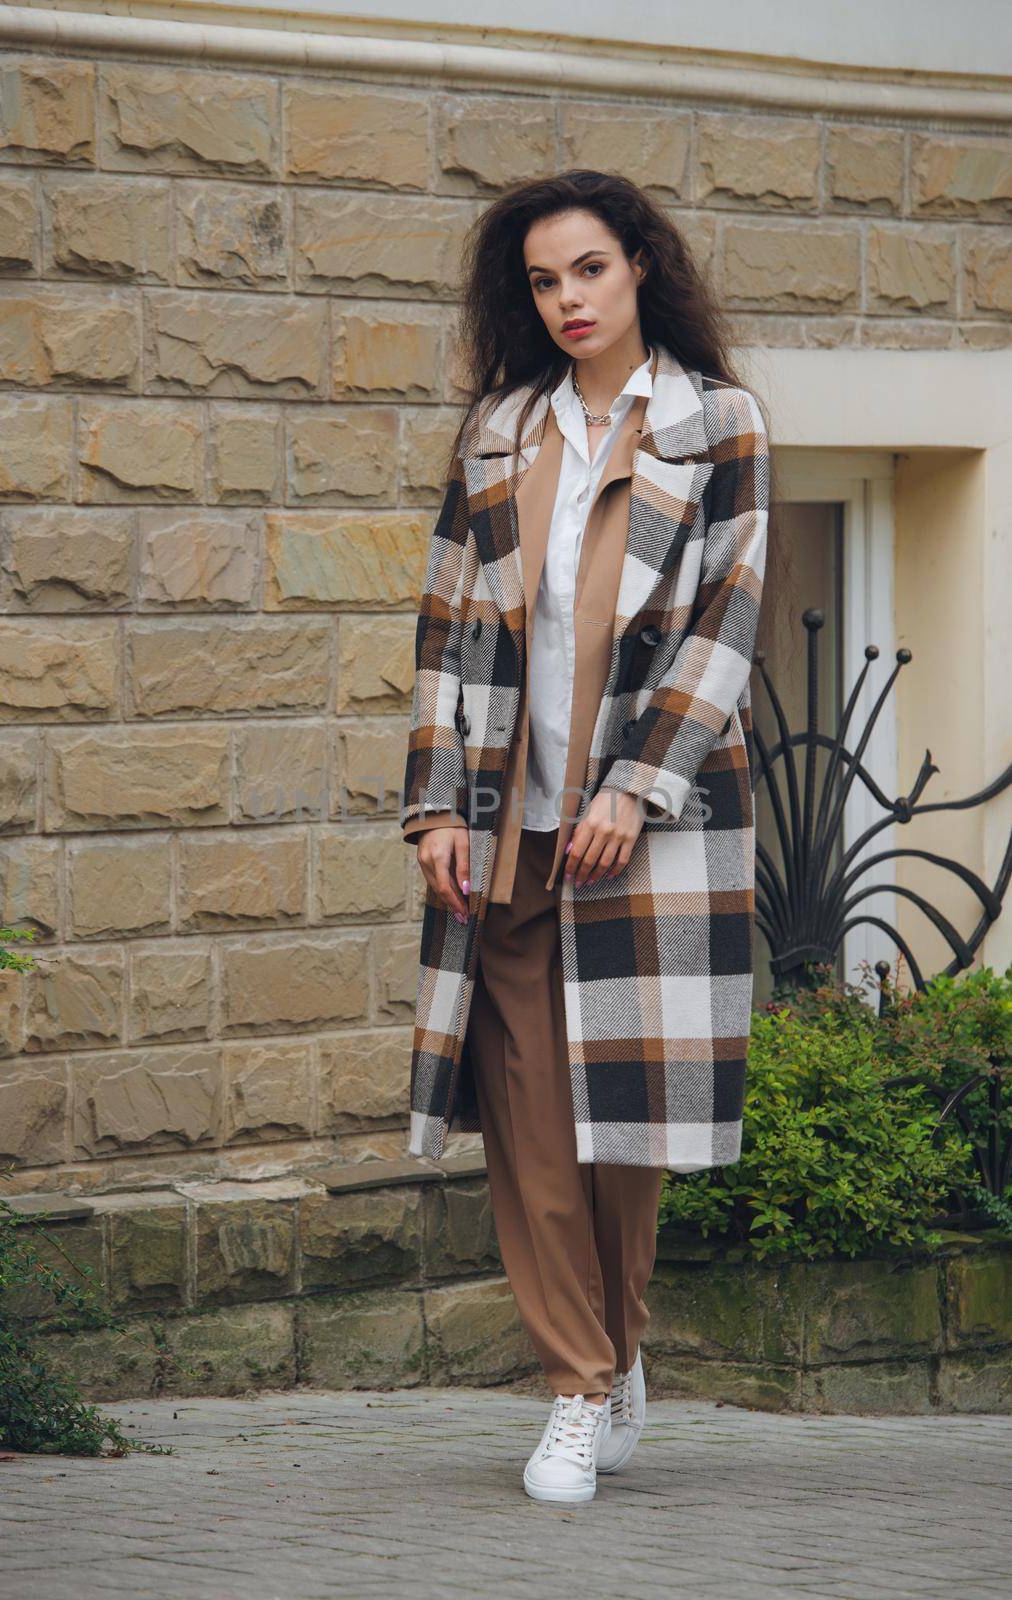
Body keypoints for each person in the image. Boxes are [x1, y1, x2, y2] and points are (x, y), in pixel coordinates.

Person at [400, 170, 771, 1504]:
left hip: (644, 830)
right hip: (510, 826)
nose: (567, 299)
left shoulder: (716, 421)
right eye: (545, 280)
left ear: (641, 272)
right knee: (529, 1121)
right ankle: (574, 1382)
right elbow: (448, 625)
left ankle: (619, 1351)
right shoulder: (501, 429)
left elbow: (728, 621)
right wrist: (435, 799)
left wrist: (634, 789)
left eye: (589, 272)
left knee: (624, 1132)